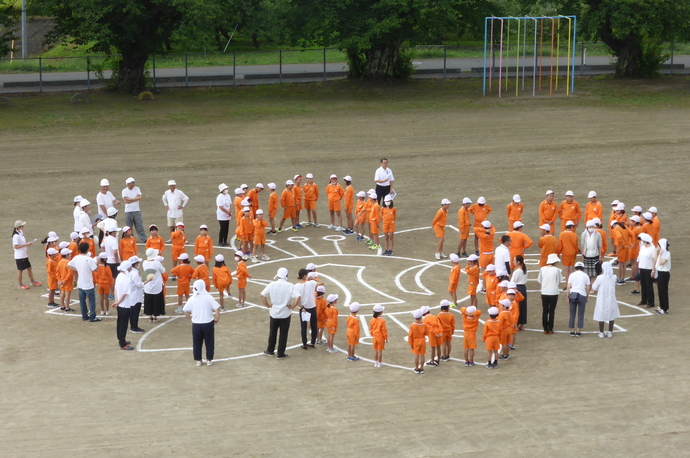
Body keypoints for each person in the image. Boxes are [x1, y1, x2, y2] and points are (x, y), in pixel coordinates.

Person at [261, 267, 300, 359]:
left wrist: (267, 305)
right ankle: (280, 353)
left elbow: (262, 295)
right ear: (287, 275)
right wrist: (292, 306)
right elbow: (298, 297)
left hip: (274, 312)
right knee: (283, 334)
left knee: (272, 332)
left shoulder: (272, 284)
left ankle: (270, 350)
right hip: (285, 313)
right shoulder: (290, 285)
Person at [183, 280, 221, 366]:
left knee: (197, 342)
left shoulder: (192, 299)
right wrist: (217, 318)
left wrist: (191, 319)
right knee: (209, 341)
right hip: (208, 323)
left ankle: (198, 360)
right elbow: (217, 308)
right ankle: (209, 359)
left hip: (196, 324)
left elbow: (185, 310)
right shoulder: (208, 297)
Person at [67, 242, 100, 322]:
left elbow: (68, 265)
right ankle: (92, 316)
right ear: (87, 249)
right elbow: (96, 269)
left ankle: (84, 315)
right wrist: (98, 262)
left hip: (80, 283)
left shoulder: (76, 258)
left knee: (82, 301)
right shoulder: (89, 259)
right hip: (88, 283)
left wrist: (77, 269)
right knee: (91, 301)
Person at [293, 269, 324, 349]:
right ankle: (312, 342)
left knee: (303, 327)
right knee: (314, 326)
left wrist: (302, 307)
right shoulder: (311, 283)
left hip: (303, 309)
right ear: (304, 276)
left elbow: (296, 299)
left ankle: (304, 343)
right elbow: (322, 283)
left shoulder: (296, 286)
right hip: (312, 307)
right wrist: (313, 278)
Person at [591, 262, 620, 338]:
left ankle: (601, 333)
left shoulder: (600, 278)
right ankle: (610, 332)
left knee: (601, 313)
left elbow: (594, 287)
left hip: (602, 298)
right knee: (611, 314)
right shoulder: (614, 277)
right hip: (611, 297)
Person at [111, 261, 135, 351]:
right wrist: (118, 302)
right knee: (123, 324)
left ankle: (121, 339)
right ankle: (122, 343)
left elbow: (116, 289)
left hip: (120, 304)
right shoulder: (126, 279)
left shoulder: (119, 276)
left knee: (120, 322)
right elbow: (125, 293)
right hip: (125, 304)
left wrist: (116, 301)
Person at [537, 253, 563, 334]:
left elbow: (540, 280)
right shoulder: (556, 270)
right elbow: (559, 280)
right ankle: (550, 328)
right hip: (554, 292)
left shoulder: (542, 269)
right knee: (552, 310)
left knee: (545, 310)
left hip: (544, 292)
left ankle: (545, 328)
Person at [12, 221, 41, 290]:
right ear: (19, 227)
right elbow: (15, 247)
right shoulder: (16, 236)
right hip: (19, 256)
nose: (23, 227)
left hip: (24, 254)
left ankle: (32, 281)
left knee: (29, 268)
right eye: (22, 226)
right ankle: (20, 285)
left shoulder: (21, 233)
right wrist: (26, 245)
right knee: (20, 270)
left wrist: (27, 244)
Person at [567, 262, 590, 337]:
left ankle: (572, 330)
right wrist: (587, 296)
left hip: (573, 294)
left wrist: (568, 296)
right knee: (581, 313)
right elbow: (588, 287)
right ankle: (578, 330)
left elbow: (568, 286)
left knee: (572, 313)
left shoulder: (572, 275)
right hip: (582, 294)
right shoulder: (585, 275)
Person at [143, 248, 166, 322]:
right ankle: (155, 316)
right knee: (156, 300)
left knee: (148, 300)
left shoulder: (144, 262)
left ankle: (150, 316)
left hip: (148, 285)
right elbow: (163, 270)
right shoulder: (157, 263)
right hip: (157, 284)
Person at [122, 177, 146, 243]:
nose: (133, 184)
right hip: (128, 211)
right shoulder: (124, 191)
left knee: (139, 225)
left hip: (136, 210)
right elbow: (126, 200)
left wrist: (131, 199)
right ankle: (130, 238)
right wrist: (135, 199)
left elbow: (140, 197)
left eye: (133, 182)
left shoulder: (137, 189)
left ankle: (143, 238)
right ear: (128, 184)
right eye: (132, 183)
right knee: (129, 227)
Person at [637, 233, 657, 308]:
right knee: (643, 285)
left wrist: (653, 270)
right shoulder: (642, 247)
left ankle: (651, 302)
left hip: (648, 269)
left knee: (649, 286)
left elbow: (654, 260)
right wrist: (639, 267)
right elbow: (640, 256)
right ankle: (644, 300)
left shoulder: (652, 249)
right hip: (642, 268)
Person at [127, 256, 145, 333]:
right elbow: (139, 284)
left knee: (133, 311)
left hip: (132, 294)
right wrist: (146, 281)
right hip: (136, 295)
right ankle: (134, 327)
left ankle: (133, 326)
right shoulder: (134, 273)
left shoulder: (129, 272)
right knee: (135, 312)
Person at [511, 255, 528, 331]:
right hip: (523, 288)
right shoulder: (524, 270)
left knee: (517, 307)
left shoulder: (517, 271)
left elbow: (512, 282)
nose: (513, 262)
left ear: (518, 262)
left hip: (517, 288)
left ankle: (517, 324)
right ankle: (522, 324)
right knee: (523, 306)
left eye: (514, 260)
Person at [408, 308, 428, 374]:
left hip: (415, 341)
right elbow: (426, 333)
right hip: (422, 340)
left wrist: (411, 344)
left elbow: (410, 335)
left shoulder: (412, 325)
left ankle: (416, 368)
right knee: (422, 355)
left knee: (416, 355)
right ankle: (422, 368)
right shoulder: (424, 325)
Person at [655, 239, 671, 315]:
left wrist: (660, 254)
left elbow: (661, 263)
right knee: (660, 291)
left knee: (663, 291)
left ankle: (665, 308)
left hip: (664, 274)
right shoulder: (662, 253)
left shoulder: (667, 253)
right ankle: (662, 307)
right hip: (660, 273)